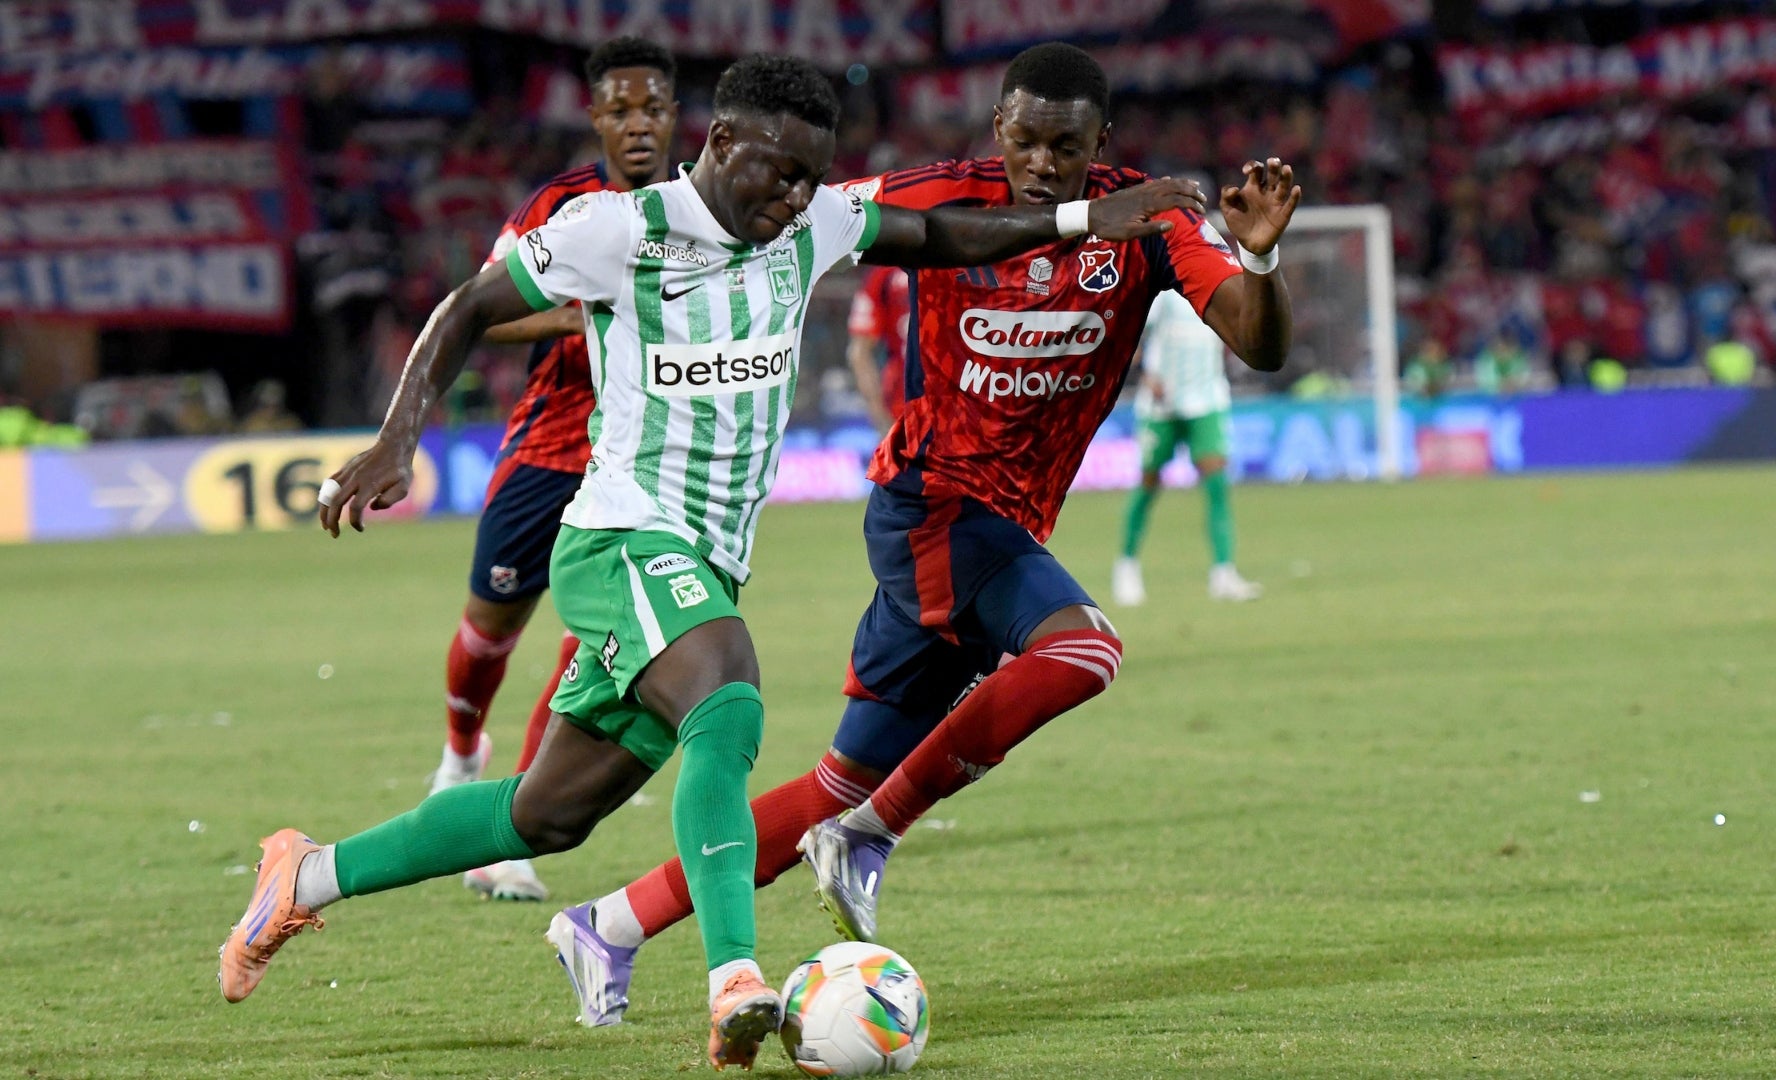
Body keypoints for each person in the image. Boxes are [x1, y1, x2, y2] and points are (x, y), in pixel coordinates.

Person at [215, 53, 1203, 1072]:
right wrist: (397, 437)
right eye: (775, 173)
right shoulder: (618, 231)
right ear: (721, 144)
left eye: (808, 179)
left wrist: (1081, 223)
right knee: (728, 697)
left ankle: (307, 875)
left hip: (707, 559)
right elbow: (466, 305)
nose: (791, 199)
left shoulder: (812, 224)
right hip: (622, 538)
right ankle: (737, 978)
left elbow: (938, 234)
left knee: (547, 814)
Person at [548, 42, 1299, 1024]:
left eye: (1063, 146)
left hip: (1002, 525)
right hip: (931, 504)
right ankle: (872, 838)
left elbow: (1260, 342)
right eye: (1023, 138)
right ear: (998, 127)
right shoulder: (942, 193)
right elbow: (777, 206)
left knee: (835, 782)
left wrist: (1260, 257)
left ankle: (609, 923)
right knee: (1083, 650)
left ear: (1098, 143)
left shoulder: (1147, 221)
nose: (1040, 161)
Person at [426, 37, 678, 905]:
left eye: (653, 108)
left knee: (589, 648)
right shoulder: (562, 207)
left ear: (675, 116)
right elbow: (479, 317)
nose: (637, 124)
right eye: (621, 110)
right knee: (487, 635)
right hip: (547, 449)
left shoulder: (700, 210)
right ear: (596, 118)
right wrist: (576, 318)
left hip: (638, 464)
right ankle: (462, 752)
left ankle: (509, 832)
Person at [1111, 288, 1262, 607]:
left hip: (1207, 399)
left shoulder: (1220, 284)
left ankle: (1223, 572)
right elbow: (1133, 329)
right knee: (1149, 482)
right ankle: (1126, 566)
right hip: (1162, 403)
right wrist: (1144, 373)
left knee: (1217, 483)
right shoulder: (1164, 291)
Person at [845, 265, 911, 432]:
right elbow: (859, 354)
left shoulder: (883, 275)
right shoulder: (963, 263)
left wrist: (880, 418)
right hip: (952, 409)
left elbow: (858, 354)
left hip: (902, 408)